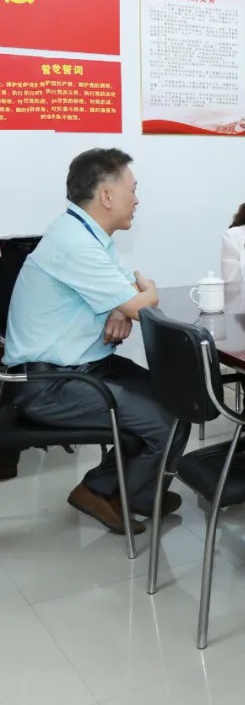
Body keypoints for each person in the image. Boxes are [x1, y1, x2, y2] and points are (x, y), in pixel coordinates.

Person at [1, 149, 189, 534]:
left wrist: (123, 307)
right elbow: (141, 301)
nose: (137, 199)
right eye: (132, 190)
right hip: (47, 385)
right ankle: (99, 491)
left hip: (85, 367)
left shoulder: (89, 235)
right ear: (106, 196)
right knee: (164, 421)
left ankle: (140, 494)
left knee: (178, 399)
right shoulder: (75, 243)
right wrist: (143, 298)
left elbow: (127, 293)